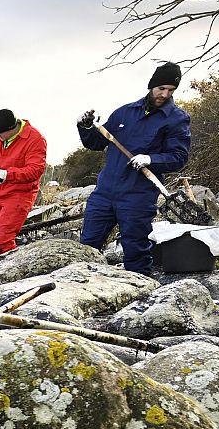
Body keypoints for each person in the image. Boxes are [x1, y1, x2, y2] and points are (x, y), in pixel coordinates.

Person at [77, 62, 191, 275]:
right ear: (151, 86)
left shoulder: (177, 119)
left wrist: (151, 159)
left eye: (171, 90)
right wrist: (85, 126)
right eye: (161, 88)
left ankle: (140, 290)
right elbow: (96, 143)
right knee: (87, 246)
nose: (165, 94)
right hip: (104, 193)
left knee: (136, 250)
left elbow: (179, 157)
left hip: (138, 196)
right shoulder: (124, 113)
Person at [0, 108, 47, 262]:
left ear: (12, 128)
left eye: (0, 134)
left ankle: (6, 270)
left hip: (20, 193)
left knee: (2, 238)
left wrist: (8, 174)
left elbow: (36, 170)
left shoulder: (35, 138)